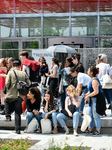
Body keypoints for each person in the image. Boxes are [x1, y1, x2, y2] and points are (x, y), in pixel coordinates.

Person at [4, 60, 30, 134]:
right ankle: (17, 130)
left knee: (6, 101)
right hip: (19, 96)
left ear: (12, 66)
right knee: (17, 113)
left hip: (10, 94)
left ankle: (8, 115)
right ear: (20, 66)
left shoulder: (10, 72)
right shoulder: (23, 73)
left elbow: (7, 83)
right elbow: (28, 83)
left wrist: (8, 89)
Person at [84, 66, 102, 135]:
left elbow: (96, 91)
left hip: (96, 99)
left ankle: (98, 131)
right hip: (92, 99)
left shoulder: (94, 80)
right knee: (90, 115)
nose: (87, 72)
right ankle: (90, 129)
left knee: (95, 115)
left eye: (88, 71)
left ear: (91, 72)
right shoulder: (92, 79)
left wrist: (88, 95)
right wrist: (86, 94)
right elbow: (90, 91)